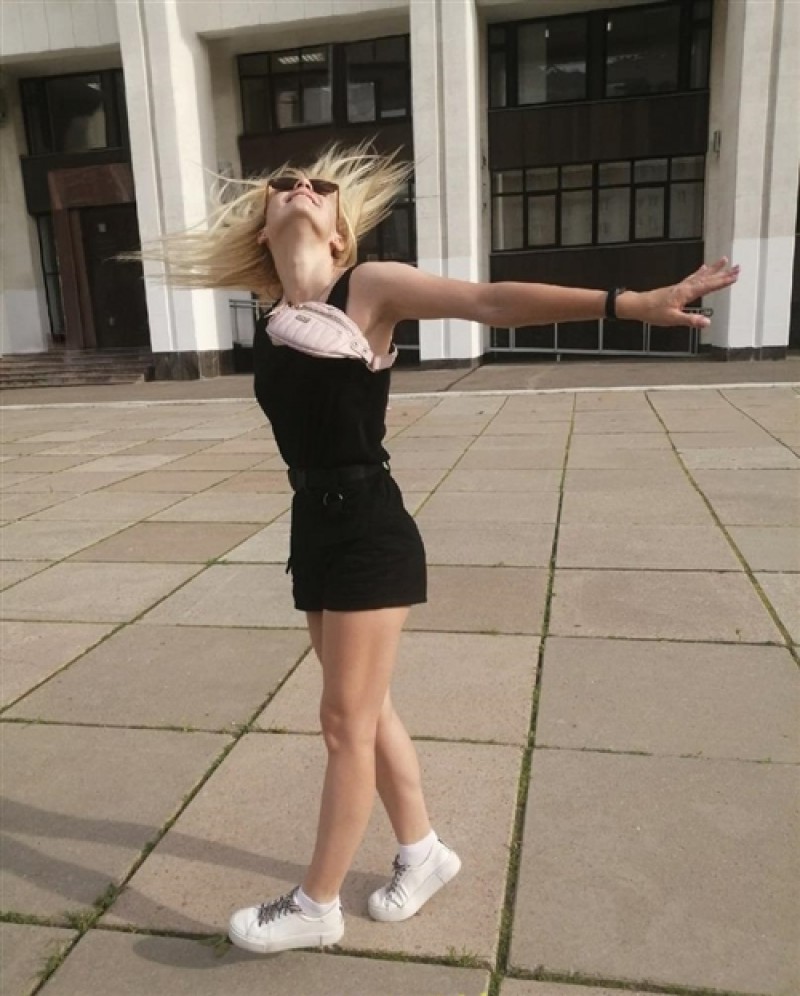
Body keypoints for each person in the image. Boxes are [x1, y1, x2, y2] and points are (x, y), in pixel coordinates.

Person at [122, 142, 739, 956]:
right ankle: (423, 853)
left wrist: (628, 303)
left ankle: (317, 904)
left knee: (342, 720)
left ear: (340, 232)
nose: (301, 188)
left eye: (318, 186)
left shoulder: (368, 288)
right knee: (367, 710)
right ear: (264, 228)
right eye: (284, 185)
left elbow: (487, 301)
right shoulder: (269, 320)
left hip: (368, 527)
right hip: (315, 527)